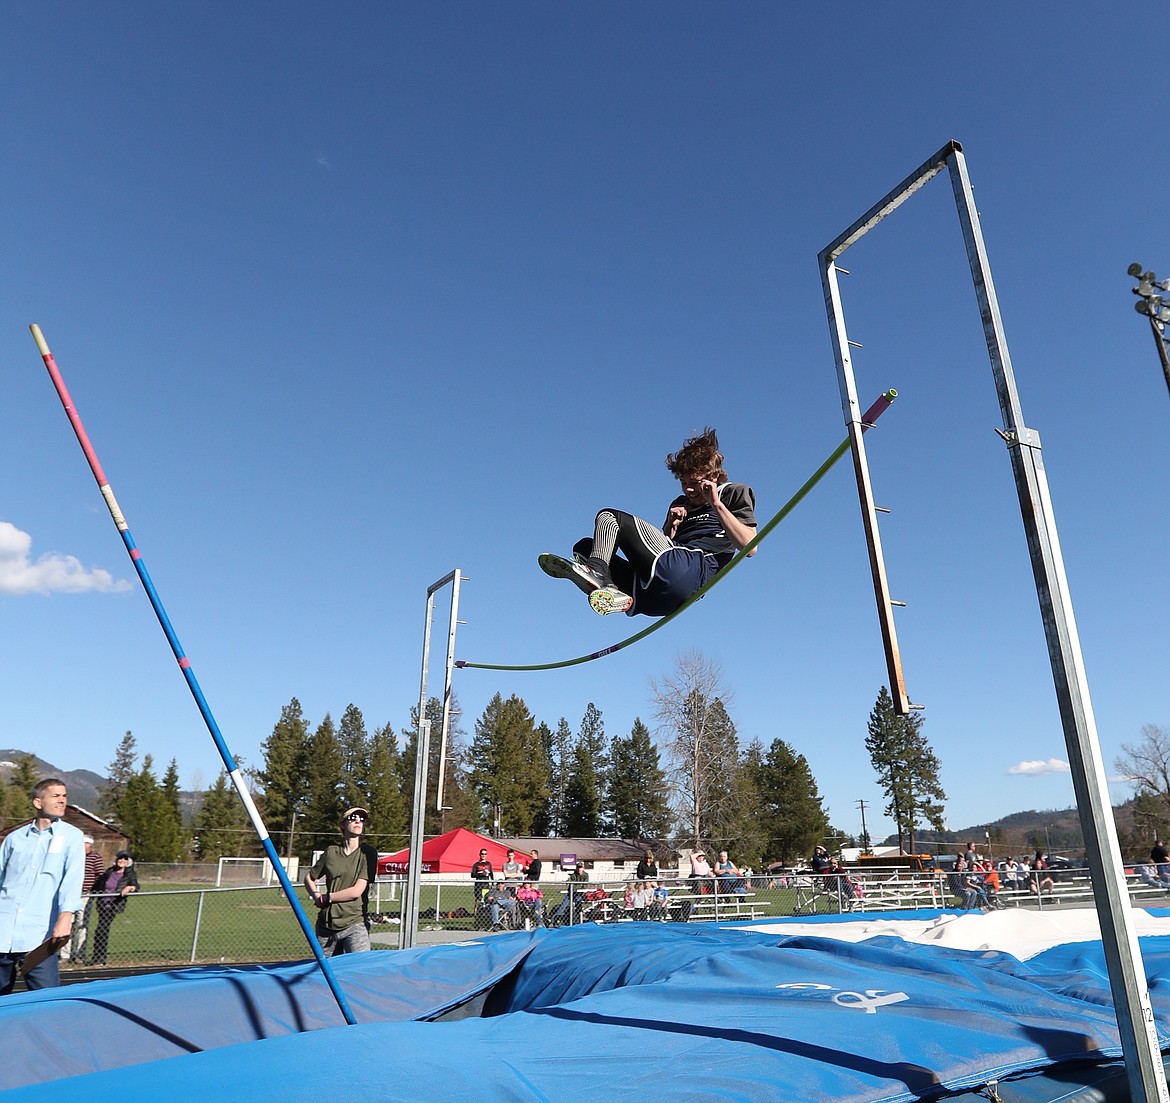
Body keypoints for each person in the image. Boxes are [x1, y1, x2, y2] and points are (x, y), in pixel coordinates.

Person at [539, 428, 757, 616]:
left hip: (692, 573)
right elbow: (660, 549)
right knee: (585, 547)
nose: (689, 490)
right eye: (683, 482)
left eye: (695, 483)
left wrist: (717, 504)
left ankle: (597, 574)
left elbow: (749, 547)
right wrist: (671, 525)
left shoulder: (733, 492)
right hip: (654, 599)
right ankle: (612, 590)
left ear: (714, 477)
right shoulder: (681, 503)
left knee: (610, 518)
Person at [0, 778, 86, 993]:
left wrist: (66, 917)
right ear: (38, 802)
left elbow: (72, 880)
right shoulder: (14, 839)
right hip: (3, 930)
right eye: (55, 796)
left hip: (40, 935)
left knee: (47, 998)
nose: (62, 801)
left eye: (64, 796)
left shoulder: (72, 837)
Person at [303, 807, 378, 956]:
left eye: (361, 819)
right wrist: (316, 895)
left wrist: (327, 897)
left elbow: (357, 891)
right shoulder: (331, 852)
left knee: (360, 967)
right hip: (327, 926)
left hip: (355, 923)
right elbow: (309, 878)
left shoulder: (368, 853)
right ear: (342, 824)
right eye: (353, 818)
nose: (358, 821)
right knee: (324, 972)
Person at [90, 850, 140, 965]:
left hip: (114, 905)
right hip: (102, 904)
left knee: (102, 929)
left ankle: (100, 958)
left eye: (125, 859)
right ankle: (97, 957)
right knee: (100, 930)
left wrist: (129, 888)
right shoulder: (110, 871)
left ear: (128, 862)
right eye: (120, 858)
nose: (122, 861)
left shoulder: (129, 874)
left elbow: (136, 886)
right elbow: (99, 884)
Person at [66, 834, 106, 963]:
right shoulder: (73, 857)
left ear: (90, 845)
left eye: (85, 844)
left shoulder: (95, 858)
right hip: (71, 893)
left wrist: (96, 889)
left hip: (86, 895)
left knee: (82, 924)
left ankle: (79, 954)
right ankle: (65, 954)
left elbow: (101, 875)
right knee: (68, 923)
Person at [471, 848, 495, 928]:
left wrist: (492, 882)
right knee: (478, 900)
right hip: (479, 885)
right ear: (480, 854)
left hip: (486, 885)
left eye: (485, 854)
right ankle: (475, 915)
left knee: (486, 900)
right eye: (482, 854)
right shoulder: (476, 864)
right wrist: (481, 874)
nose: (483, 855)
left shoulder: (488, 864)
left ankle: (486, 916)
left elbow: (491, 873)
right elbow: (472, 875)